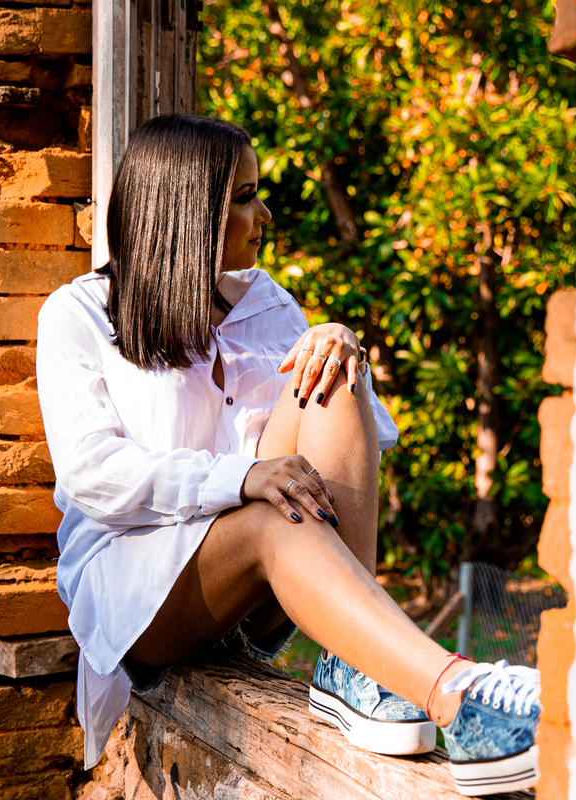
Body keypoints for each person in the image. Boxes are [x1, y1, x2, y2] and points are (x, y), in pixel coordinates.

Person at [36, 113, 541, 795]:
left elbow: (353, 435)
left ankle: (354, 666)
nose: (264, 214)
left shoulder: (265, 302)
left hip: (258, 572)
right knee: (273, 517)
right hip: (137, 584)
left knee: (330, 371)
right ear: (190, 214)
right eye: (244, 197)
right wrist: (240, 478)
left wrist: (337, 343)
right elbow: (94, 477)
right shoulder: (80, 315)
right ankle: (458, 694)